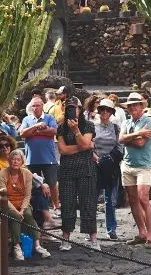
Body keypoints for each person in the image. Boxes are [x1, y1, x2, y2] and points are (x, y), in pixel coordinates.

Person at [56, 97, 99, 251]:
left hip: (86, 169)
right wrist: (85, 147)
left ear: (80, 110)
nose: (72, 111)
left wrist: (76, 131)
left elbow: (86, 143)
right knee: (67, 203)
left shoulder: (88, 125)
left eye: (75, 108)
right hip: (67, 170)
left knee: (88, 203)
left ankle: (93, 238)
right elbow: (63, 150)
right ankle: (65, 238)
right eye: (69, 108)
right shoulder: (61, 128)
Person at [0, 149, 51, 261]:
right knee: (16, 217)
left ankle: (37, 245)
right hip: (6, 204)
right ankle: (17, 246)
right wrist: (16, 211)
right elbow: (3, 197)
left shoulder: (26, 174)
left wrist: (22, 209)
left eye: (18, 159)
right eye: (13, 159)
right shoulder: (2, 174)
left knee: (28, 214)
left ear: (22, 162)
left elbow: (27, 195)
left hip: (22, 203)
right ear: (9, 160)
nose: (15, 162)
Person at [118, 93, 151, 247]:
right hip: (127, 165)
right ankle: (141, 232)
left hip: (143, 166)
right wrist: (138, 133)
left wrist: (129, 138)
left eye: (136, 104)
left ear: (142, 106)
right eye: (130, 105)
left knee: (143, 198)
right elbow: (120, 139)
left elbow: (140, 143)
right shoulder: (126, 122)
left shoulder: (149, 121)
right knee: (133, 200)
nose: (133, 107)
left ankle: (150, 234)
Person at [20, 95, 61, 214]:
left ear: (42, 106)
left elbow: (53, 131)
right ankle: (37, 208)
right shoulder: (26, 120)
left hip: (49, 158)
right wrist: (36, 126)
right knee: (32, 185)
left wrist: (34, 131)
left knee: (52, 183)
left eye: (38, 105)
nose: (35, 108)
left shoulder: (49, 117)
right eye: (33, 105)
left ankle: (56, 206)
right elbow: (22, 133)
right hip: (31, 158)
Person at [93, 99, 122, 241]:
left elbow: (119, 145)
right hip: (95, 164)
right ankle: (91, 230)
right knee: (92, 199)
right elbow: (88, 144)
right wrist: (96, 158)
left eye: (108, 110)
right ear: (99, 111)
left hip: (111, 165)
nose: (105, 112)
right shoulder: (92, 126)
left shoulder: (115, 127)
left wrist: (110, 158)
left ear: (111, 112)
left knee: (110, 200)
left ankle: (111, 229)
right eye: (102, 109)